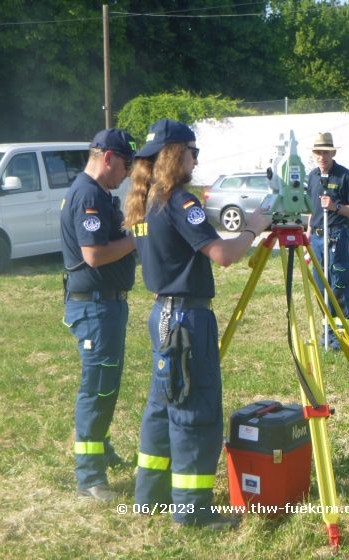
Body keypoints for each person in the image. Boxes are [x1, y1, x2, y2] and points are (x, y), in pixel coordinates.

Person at [123, 118, 271, 529]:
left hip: (162, 315)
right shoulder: (179, 201)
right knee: (195, 410)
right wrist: (253, 228)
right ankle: (192, 512)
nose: (195, 160)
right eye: (194, 152)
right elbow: (222, 254)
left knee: (162, 407)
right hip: (187, 318)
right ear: (176, 154)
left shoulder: (144, 201)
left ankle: (149, 496)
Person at [60, 128, 137, 502]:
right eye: (124, 164)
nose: (126, 173)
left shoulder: (101, 193)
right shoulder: (88, 194)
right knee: (97, 387)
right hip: (94, 306)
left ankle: (100, 450)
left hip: (106, 303)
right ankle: (90, 480)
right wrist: (137, 238)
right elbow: (93, 254)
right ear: (108, 157)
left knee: (107, 383)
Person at [306, 132, 349, 350]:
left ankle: (342, 339)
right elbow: (312, 210)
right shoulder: (312, 177)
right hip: (317, 240)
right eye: (318, 152)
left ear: (333, 152)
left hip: (337, 237)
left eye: (326, 152)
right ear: (314, 154)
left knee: (338, 286)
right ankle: (327, 335)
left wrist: (336, 207)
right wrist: (308, 234)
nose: (322, 156)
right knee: (321, 288)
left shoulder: (346, 177)